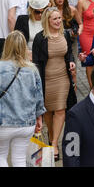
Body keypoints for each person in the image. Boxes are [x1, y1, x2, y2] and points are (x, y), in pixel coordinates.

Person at [32, 7, 77, 161]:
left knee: (60, 109)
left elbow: (69, 52)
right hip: (46, 79)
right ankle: (51, 137)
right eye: (55, 19)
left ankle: (54, 143)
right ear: (47, 21)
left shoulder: (65, 34)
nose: (58, 21)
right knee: (48, 112)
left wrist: (71, 61)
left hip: (63, 78)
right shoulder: (40, 38)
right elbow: (37, 62)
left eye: (59, 18)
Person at [0, 31, 46, 167]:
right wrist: (39, 118)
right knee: (20, 159)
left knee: (1, 156)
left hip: (3, 122)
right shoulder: (32, 70)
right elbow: (39, 97)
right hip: (26, 122)